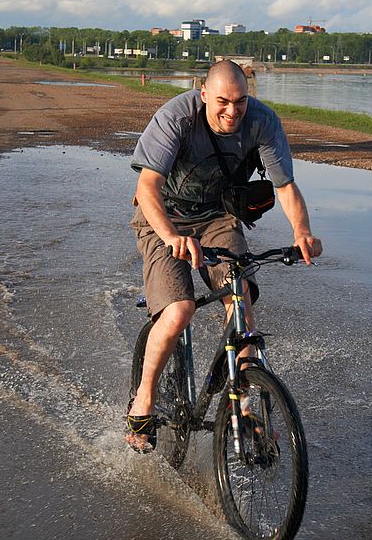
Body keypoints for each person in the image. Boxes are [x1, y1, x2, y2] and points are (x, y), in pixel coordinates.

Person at [126, 59, 322, 452]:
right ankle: (143, 399)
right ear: (203, 96)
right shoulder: (176, 118)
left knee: (240, 299)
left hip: (217, 218)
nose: (232, 111)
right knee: (179, 310)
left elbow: (285, 187)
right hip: (163, 216)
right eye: (222, 102)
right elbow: (147, 185)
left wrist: (302, 232)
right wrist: (171, 237)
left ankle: (247, 402)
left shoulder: (262, 122)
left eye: (240, 101)